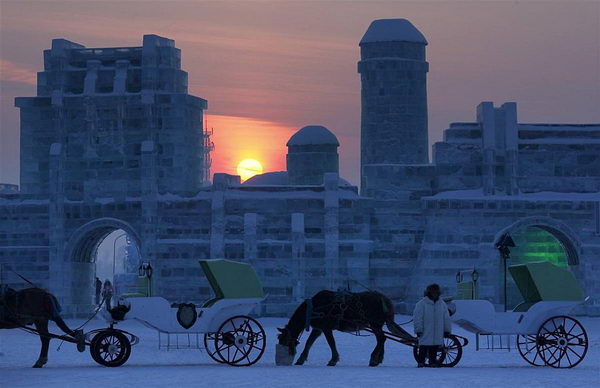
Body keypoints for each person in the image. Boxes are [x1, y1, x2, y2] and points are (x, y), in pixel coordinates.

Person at [413, 283, 451, 368]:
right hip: (426, 330)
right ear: (429, 293)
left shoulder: (442, 304)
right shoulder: (421, 304)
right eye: (433, 292)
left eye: (436, 292)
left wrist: (446, 330)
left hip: (437, 331)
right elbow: (418, 317)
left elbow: (446, 318)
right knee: (423, 347)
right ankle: (421, 362)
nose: (434, 294)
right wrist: (418, 329)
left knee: (434, 347)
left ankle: (432, 362)